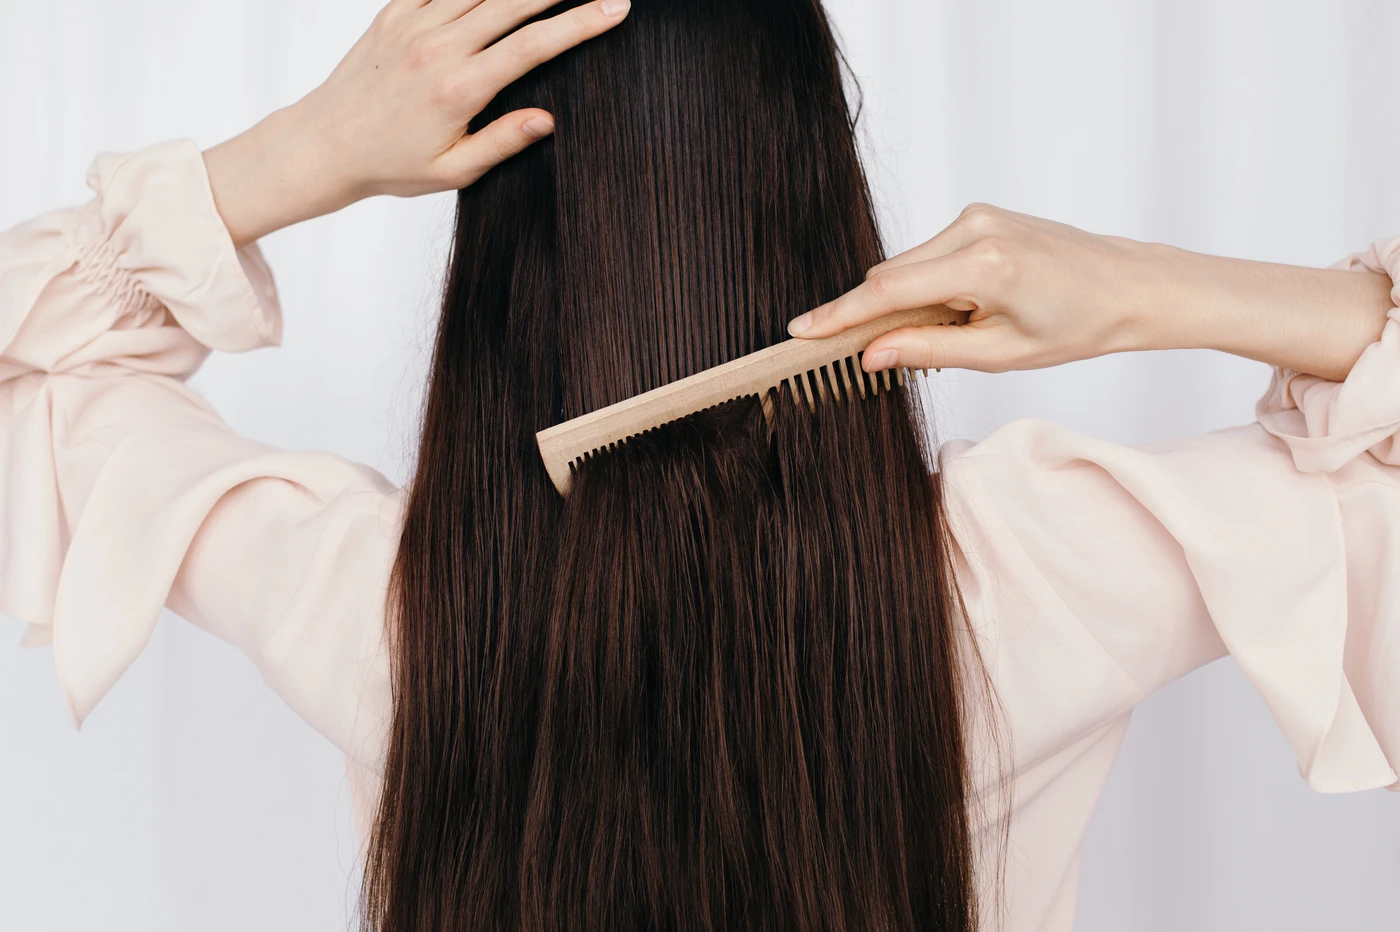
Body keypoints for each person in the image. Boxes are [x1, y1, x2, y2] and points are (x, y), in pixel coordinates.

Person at [2, 0, 1395, 929]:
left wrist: (296, 156)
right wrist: (1147, 290)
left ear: (499, 275)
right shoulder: (1036, 575)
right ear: (826, 202)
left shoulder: (381, 608)